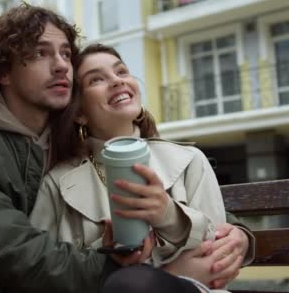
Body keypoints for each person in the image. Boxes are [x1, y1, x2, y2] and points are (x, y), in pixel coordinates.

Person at [0, 3, 250, 293]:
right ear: (3, 71)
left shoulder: (59, 143)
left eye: (64, 53)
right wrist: (146, 271)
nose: (61, 65)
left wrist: (238, 236)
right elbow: (21, 256)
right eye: (41, 53)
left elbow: (185, 200)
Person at [30, 43, 255, 292]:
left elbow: (217, 263)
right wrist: (106, 256)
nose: (117, 81)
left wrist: (168, 215)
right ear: (79, 113)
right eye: (96, 79)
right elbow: (42, 270)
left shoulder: (190, 159)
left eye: (122, 72)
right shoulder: (57, 183)